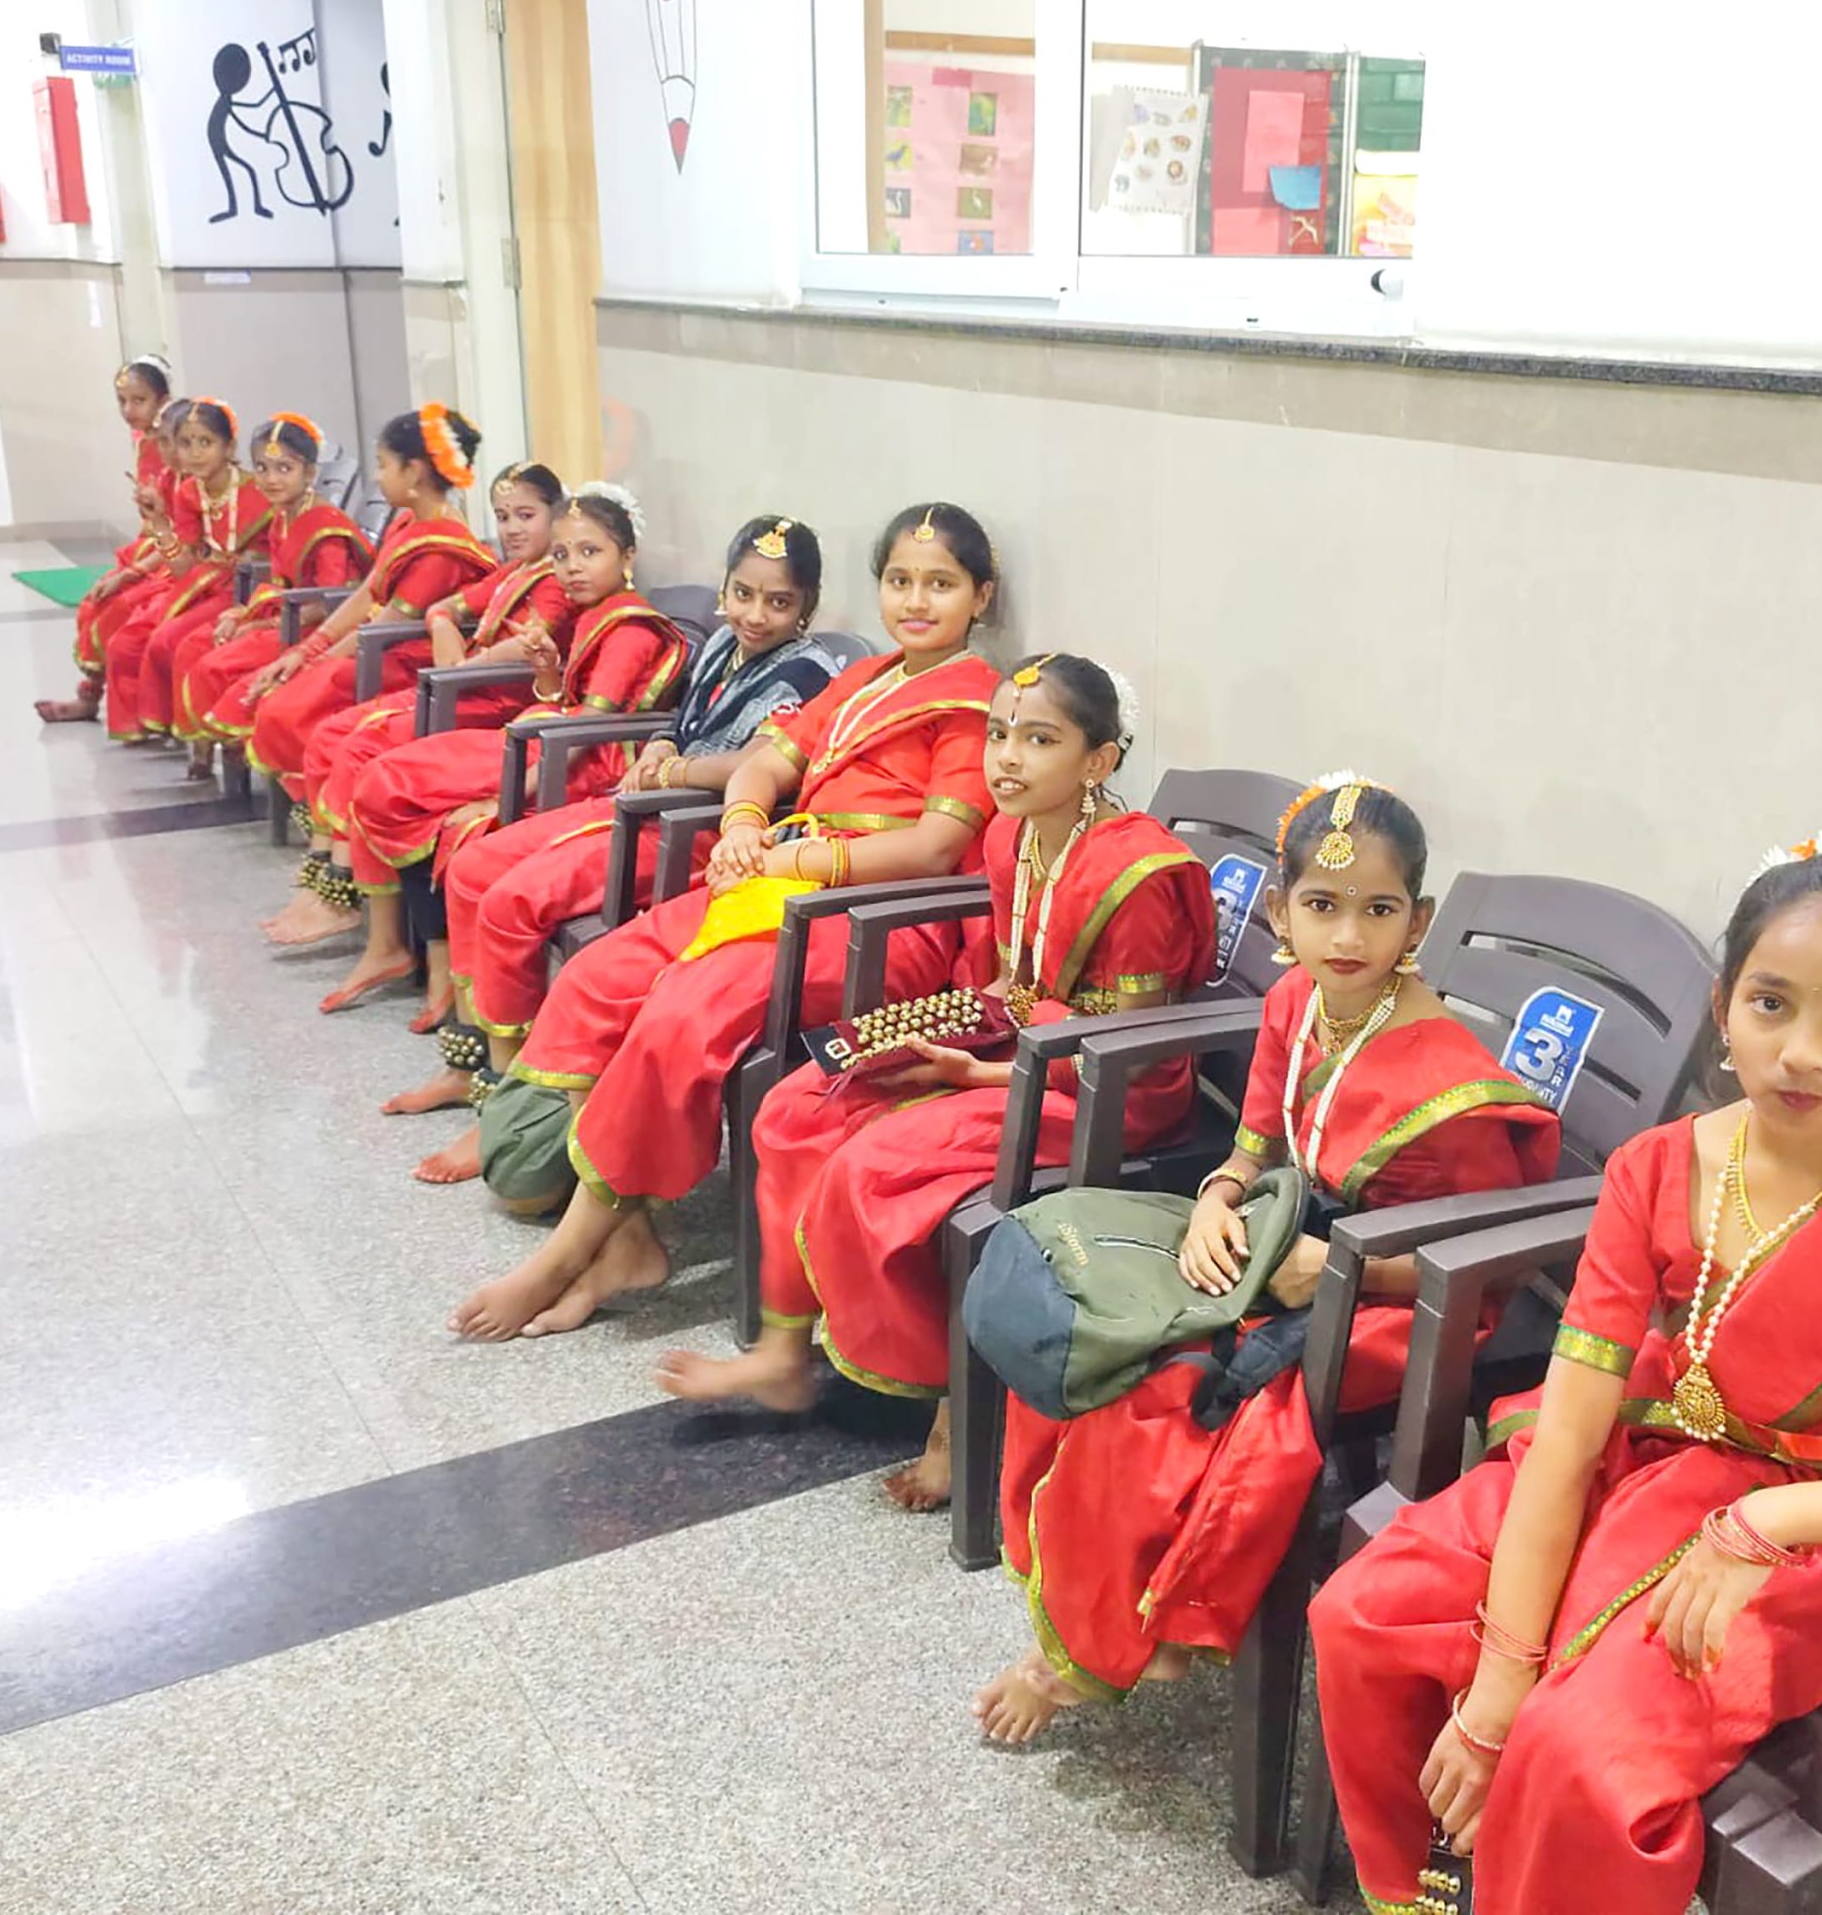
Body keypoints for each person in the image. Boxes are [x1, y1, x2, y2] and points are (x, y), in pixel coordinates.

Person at [1309, 831, 1822, 1915]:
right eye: (1771, 1004)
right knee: (1365, 1611)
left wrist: (1771, 1526)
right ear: (1725, 1006)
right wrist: (1497, 1681)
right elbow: (1576, 1433)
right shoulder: (1660, 1166)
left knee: (1577, 1756)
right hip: (1648, 1460)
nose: (1802, 1054)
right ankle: (1432, 1891)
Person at [973, 777, 1563, 1743]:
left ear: (1416, 922)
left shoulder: (1449, 1082)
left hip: (1409, 1297)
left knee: (1171, 1391)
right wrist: (1213, 1205)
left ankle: (1137, 1627)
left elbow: (1482, 1269)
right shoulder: (1296, 999)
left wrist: (1338, 1272)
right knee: (1096, 1335)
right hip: (1288, 1243)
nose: (1347, 936)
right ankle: (1103, 1612)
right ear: (1284, 910)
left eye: (1377, 911)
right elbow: (1252, 1147)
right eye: (1322, 907)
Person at [657, 653, 1215, 1513]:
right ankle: (783, 1351)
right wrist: (941, 1033)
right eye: (999, 735)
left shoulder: (1137, 873)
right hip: (1012, 1043)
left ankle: (950, 1412)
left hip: (1106, 1090)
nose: (1008, 759)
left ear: (1100, 761)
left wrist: (984, 1067)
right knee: (796, 1107)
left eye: (1040, 739)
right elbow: (1006, 982)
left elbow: (1135, 1041)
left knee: (871, 1164)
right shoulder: (1009, 834)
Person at [449, 501, 1003, 1342]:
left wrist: (799, 861)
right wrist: (745, 823)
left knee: (682, 1011)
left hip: (874, 923)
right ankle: (625, 1231)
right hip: (775, 883)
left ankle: (563, 1257)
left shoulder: (972, 703)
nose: (916, 601)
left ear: (982, 597)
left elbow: (934, 848)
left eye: (941, 584)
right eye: (899, 581)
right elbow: (767, 763)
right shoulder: (866, 679)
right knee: (604, 975)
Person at [389, 513, 845, 1186]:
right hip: (648, 802)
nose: (755, 614)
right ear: (725, 587)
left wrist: (673, 770)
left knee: (512, 900)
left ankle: (507, 1101)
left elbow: (756, 764)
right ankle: (477, 1066)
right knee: (474, 869)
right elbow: (685, 725)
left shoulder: (807, 673)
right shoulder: (721, 646)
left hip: (698, 834)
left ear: (806, 607)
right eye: (744, 593)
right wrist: (663, 745)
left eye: (779, 602)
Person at [298, 483, 684, 1016]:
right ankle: (425, 964)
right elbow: (563, 699)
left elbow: (592, 724)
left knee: (395, 784)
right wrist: (550, 670)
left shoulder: (628, 627)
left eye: (590, 552)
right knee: (385, 777)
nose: (572, 567)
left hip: (578, 764)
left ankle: (439, 979)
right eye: (563, 554)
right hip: (542, 737)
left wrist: (509, 796)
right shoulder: (594, 611)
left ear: (628, 556)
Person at [258, 461, 570, 968]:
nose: (511, 528)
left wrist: (465, 661)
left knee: (362, 748)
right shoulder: (513, 572)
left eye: (526, 515)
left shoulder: (555, 582)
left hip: (497, 706)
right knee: (336, 735)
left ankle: (351, 907)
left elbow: (528, 647)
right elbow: (442, 609)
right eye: (503, 516)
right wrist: (448, 634)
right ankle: (339, 892)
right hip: (461, 690)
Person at [215, 402, 493, 889]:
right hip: (373, 647)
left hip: (403, 663)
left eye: (385, 466)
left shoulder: (443, 544)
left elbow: (387, 625)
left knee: (295, 702)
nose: (379, 477)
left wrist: (316, 659)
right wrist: (308, 650)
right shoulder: (407, 523)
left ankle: (332, 861)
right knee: (286, 690)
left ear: (416, 472)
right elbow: (367, 594)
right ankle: (321, 835)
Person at [177, 415, 372, 751]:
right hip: (287, 616)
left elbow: (331, 603)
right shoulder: (282, 515)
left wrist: (262, 623)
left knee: (214, 665)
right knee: (199, 644)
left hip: (318, 629)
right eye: (263, 468)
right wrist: (243, 614)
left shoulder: (325, 528)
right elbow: (282, 583)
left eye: (285, 468)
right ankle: (222, 750)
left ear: (309, 473)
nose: (270, 479)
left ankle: (241, 748)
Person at [98, 397, 270, 745]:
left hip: (252, 590)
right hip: (204, 582)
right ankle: (156, 723)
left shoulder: (258, 490)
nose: (195, 453)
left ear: (229, 447)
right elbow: (183, 567)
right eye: (185, 444)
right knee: (134, 636)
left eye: (205, 442)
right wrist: (160, 523)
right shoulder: (190, 491)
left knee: (169, 640)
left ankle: (198, 744)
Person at [40, 355, 175, 723]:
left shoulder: (175, 450)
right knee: (93, 605)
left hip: (175, 558)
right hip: (152, 548)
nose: (129, 410)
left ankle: (137, 712)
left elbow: (184, 534)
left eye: (139, 400)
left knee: (118, 611)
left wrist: (134, 572)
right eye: (122, 401)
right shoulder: (146, 441)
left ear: (163, 401)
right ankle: (90, 697)